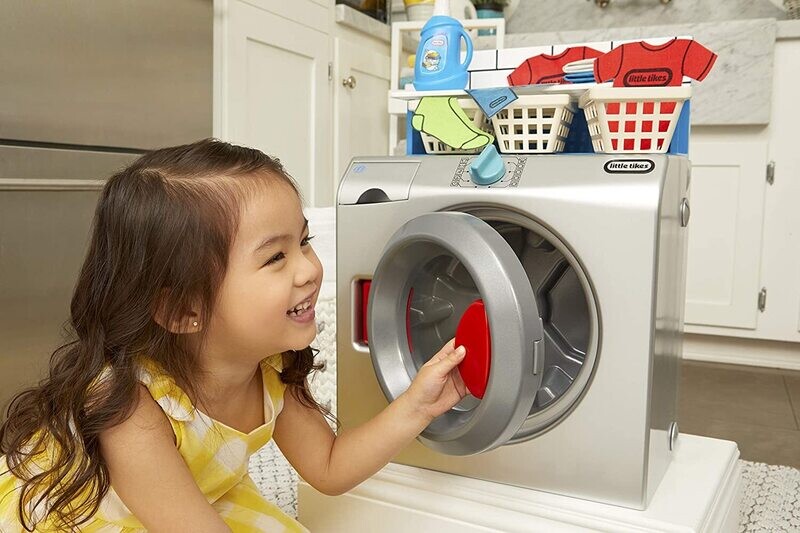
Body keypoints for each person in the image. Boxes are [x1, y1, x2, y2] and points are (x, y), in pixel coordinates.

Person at [0, 138, 468, 532]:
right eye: (274, 258)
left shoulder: (269, 365)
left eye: (303, 241)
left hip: (192, 504)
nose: (309, 270)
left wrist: (417, 406)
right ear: (184, 309)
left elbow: (328, 466)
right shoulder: (131, 409)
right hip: (83, 515)